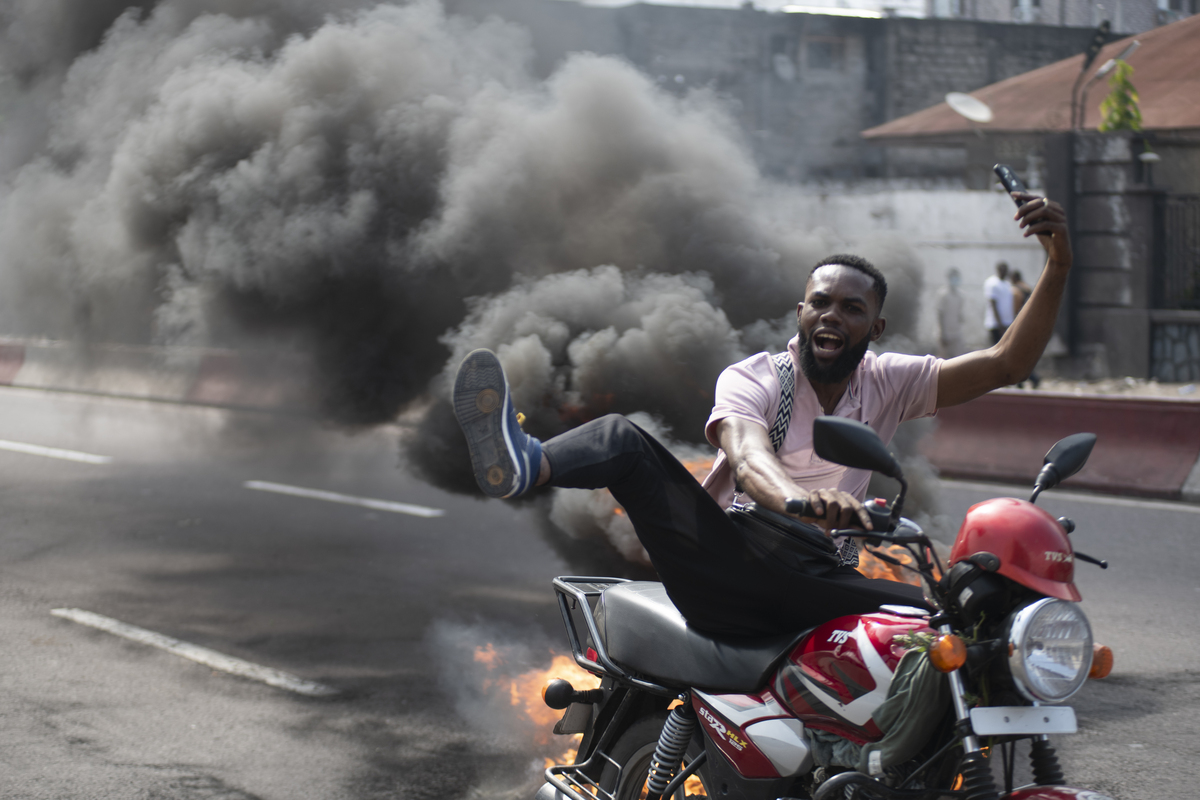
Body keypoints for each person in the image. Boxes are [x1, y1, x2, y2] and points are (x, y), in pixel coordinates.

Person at [452, 192, 1070, 638]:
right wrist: (801, 502)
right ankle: (526, 462)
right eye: (820, 303)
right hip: (722, 564)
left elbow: (1004, 363)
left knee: (952, 615)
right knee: (624, 440)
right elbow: (749, 461)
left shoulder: (889, 380)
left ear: (875, 327)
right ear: (799, 313)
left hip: (815, 578)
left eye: (852, 309)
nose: (832, 315)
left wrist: (1058, 263)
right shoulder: (754, 377)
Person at [1010, 269, 1041, 388]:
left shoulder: (1016, 291)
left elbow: (1016, 310)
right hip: (1031, 324)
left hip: (1021, 326)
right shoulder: (1027, 288)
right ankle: (1023, 380)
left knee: (1018, 355)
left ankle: (1030, 379)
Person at [936, 267, 966, 358]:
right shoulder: (943, 294)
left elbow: (959, 313)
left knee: (957, 359)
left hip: (956, 333)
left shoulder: (960, 295)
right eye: (953, 277)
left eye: (957, 277)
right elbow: (940, 314)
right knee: (943, 360)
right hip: (945, 333)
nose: (955, 280)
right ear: (948, 278)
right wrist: (942, 334)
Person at [984, 261, 1014, 346]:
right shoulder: (992, 283)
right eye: (1002, 269)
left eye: (1005, 270)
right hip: (996, 325)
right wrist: (1000, 325)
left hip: (1007, 323)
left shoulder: (1007, 284)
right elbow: (993, 304)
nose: (1004, 271)